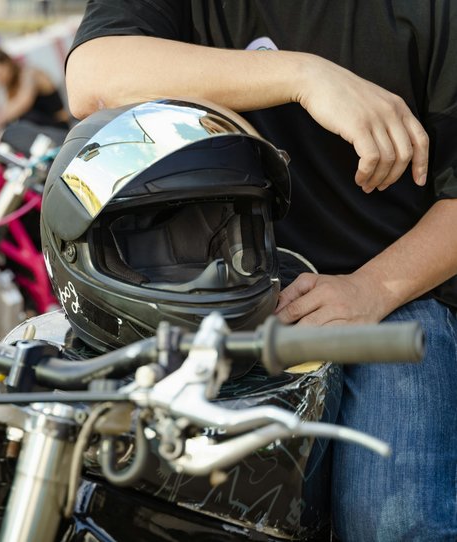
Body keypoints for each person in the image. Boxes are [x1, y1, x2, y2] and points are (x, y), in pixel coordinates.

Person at [65, 2, 457, 541]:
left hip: (390, 296)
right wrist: (304, 75)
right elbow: (94, 77)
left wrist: (370, 290)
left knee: (395, 522)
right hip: (190, 291)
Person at [0, 47, 70, 135]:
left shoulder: (31, 74)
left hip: (61, 129)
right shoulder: (11, 85)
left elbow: (22, 103)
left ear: (6, 63)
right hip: (44, 132)